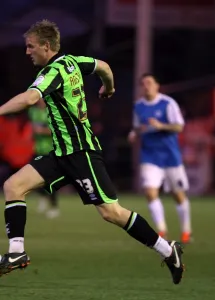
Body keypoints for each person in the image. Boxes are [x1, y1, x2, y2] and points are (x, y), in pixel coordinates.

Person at [0, 20, 185, 284]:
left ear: (46, 46)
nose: (27, 52)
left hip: (82, 153)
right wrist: (108, 88)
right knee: (13, 186)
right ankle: (17, 253)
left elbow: (30, 99)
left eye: (30, 47)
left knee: (112, 213)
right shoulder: (75, 62)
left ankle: (168, 251)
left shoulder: (52, 71)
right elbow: (105, 68)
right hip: (62, 154)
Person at [128, 74, 192, 244]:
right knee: (150, 192)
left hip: (170, 156)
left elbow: (179, 126)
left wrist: (161, 126)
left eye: (149, 83)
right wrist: (134, 134)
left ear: (157, 85)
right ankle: (162, 230)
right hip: (149, 156)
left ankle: (186, 230)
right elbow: (137, 128)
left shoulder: (168, 103)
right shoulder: (138, 107)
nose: (146, 86)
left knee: (178, 195)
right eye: (143, 84)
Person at [28, 99, 60, 218]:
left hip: (50, 150)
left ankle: (54, 207)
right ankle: (42, 198)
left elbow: (56, 131)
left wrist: (41, 130)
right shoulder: (32, 112)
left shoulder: (52, 111)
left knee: (50, 180)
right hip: (37, 149)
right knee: (34, 177)